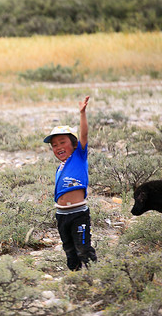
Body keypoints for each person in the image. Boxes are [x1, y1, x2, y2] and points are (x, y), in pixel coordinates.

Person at [43, 96, 97, 271]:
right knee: (69, 250)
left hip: (78, 213)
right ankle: (75, 277)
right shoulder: (60, 167)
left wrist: (82, 113)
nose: (58, 146)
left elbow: (84, 134)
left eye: (62, 142)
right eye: (54, 145)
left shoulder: (79, 157)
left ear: (74, 144)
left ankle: (93, 276)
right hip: (61, 214)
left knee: (83, 249)